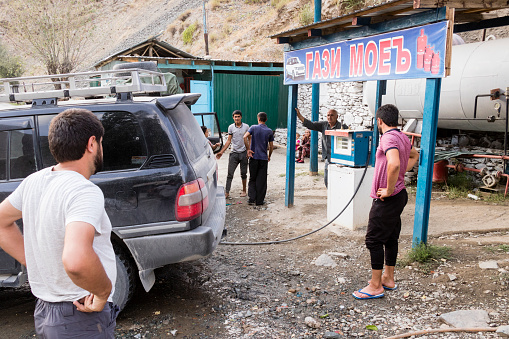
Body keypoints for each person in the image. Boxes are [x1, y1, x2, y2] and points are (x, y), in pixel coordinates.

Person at [0, 108, 118, 337]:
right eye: (101, 142)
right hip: (80, 314)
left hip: (46, 311)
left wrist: (34, 262)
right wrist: (103, 292)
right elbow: (76, 261)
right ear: (92, 144)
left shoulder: (34, 181)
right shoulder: (84, 191)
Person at [352, 104, 419, 300]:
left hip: (388, 197)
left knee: (373, 240)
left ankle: (375, 286)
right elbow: (414, 155)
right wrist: (398, 176)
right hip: (400, 195)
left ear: (379, 121)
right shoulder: (403, 137)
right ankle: (388, 278)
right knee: (390, 238)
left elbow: (395, 163)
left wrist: (389, 188)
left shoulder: (388, 137)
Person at [295, 108, 348, 187]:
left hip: (340, 158)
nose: (330, 117)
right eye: (328, 115)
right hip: (328, 157)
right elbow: (310, 124)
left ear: (337, 116)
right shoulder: (324, 125)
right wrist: (299, 115)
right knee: (327, 179)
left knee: (339, 177)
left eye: (332, 115)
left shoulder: (342, 127)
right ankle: (329, 193)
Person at [216, 110, 250, 199]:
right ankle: (227, 192)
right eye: (235, 117)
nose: (237, 118)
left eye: (238, 116)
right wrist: (221, 152)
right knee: (230, 174)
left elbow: (250, 139)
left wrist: (249, 150)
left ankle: (244, 190)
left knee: (243, 173)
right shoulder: (231, 127)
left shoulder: (246, 126)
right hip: (234, 154)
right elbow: (229, 140)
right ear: (233, 117)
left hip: (243, 154)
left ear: (241, 117)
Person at [243, 112, 274, 207]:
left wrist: (248, 149)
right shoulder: (269, 131)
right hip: (263, 158)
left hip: (254, 157)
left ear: (258, 119)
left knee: (252, 178)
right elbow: (271, 146)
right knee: (262, 179)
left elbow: (244, 137)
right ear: (266, 120)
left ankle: (252, 199)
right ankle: (260, 200)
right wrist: (269, 155)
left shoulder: (253, 127)